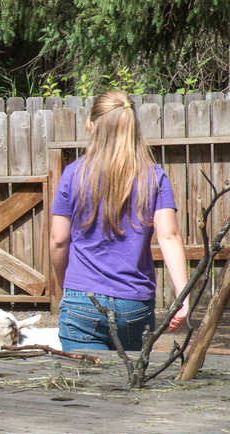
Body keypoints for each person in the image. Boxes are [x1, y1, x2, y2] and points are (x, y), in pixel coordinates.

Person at [50, 89, 189, 351]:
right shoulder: (154, 177)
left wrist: (68, 287)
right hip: (134, 305)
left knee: (84, 389)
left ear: (91, 125)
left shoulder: (72, 174)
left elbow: (59, 241)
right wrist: (184, 296)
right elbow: (169, 236)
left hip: (82, 301)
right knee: (129, 387)